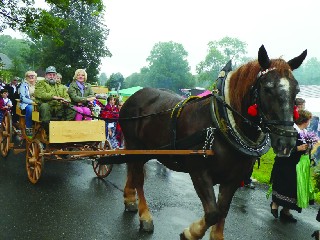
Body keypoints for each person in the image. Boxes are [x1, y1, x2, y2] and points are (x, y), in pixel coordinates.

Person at [270, 109, 313, 223]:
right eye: (309, 120)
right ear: (305, 120)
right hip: (285, 164)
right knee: (284, 186)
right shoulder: (291, 130)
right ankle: (275, 204)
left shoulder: (303, 131)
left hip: (296, 164)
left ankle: (286, 211)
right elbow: (281, 147)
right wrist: (298, 148)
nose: (309, 122)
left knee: (292, 189)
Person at [34, 66, 75, 131]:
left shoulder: (61, 86)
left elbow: (67, 96)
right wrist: (53, 97)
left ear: (56, 76)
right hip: (46, 106)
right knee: (45, 106)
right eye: (50, 74)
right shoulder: (40, 83)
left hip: (59, 107)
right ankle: (48, 131)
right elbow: (41, 94)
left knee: (72, 108)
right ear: (45, 75)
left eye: (54, 75)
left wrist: (66, 101)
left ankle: (65, 128)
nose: (52, 76)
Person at [19, 71, 37, 136]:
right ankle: (29, 127)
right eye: (30, 76)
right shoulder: (23, 85)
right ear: (26, 77)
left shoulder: (38, 85)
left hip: (37, 102)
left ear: (35, 77)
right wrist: (32, 102)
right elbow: (22, 98)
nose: (32, 77)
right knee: (30, 108)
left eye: (33, 75)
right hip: (27, 103)